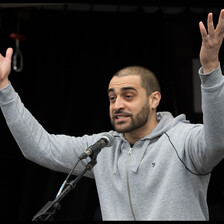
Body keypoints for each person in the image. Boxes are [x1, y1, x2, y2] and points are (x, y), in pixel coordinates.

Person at [0, 9, 224, 221]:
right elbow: (40, 148)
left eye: (128, 96)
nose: (117, 105)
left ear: (154, 99)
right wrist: (4, 88)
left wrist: (211, 68)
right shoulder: (102, 148)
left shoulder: (183, 140)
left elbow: (217, 142)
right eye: (112, 98)